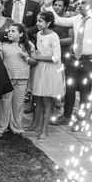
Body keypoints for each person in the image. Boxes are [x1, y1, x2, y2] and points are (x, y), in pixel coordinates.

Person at [45, 0, 92, 129]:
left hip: (91, 60)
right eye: (79, 3)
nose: (79, 5)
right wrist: (49, 6)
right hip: (75, 58)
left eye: (84, 3)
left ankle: (80, 120)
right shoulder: (76, 18)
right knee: (69, 88)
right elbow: (58, 20)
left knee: (85, 91)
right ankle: (67, 116)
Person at [26, 11, 64, 140]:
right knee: (37, 98)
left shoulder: (54, 36)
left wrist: (38, 57)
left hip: (50, 70)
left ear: (48, 23)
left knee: (47, 100)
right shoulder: (38, 34)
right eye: (37, 21)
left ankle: (44, 130)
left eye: (40, 21)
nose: (37, 23)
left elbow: (56, 58)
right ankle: (34, 124)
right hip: (39, 68)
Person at [0, 23, 35, 136]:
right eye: (9, 31)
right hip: (7, 79)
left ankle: (16, 126)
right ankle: (1, 127)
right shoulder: (4, 46)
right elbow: (0, 62)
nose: (10, 33)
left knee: (18, 104)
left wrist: (26, 57)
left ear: (21, 34)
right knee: (4, 103)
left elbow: (34, 62)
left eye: (13, 31)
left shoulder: (29, 46)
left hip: (22, 79)